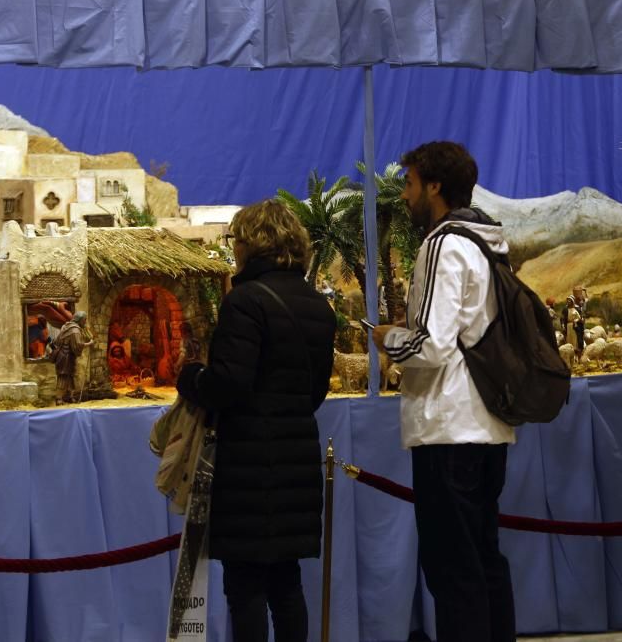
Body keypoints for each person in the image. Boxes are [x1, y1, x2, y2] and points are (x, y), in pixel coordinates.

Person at [371, 141, 515, 642]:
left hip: (448, 428)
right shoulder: (488, 242)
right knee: (482, 560)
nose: (405, 195)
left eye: (409, 183)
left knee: (454, 569)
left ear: (434, 186)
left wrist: (386, 338)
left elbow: (431, 346)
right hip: (486, 425)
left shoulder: (443, 244)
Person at [175, 198, 336, 642]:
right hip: (297, 457)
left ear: (251, 244)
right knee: (286, 584)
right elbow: (315, 392)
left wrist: (190, 377)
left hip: (248, 465)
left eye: (236, 239)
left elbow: (229, 385)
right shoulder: (319, 306)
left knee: (245, 586)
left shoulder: (245, 301)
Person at [52, 311, 93, 404]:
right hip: (66, 356)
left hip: (64, 356)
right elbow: (78, 345)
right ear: (80, 320)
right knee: (63, 376)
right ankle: (59, 398)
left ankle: (69, 396)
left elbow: (58, 341)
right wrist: (89, 343)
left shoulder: (65, 326)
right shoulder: (75, 330)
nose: (85, 322)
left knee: (70, 376)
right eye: (84, 320)